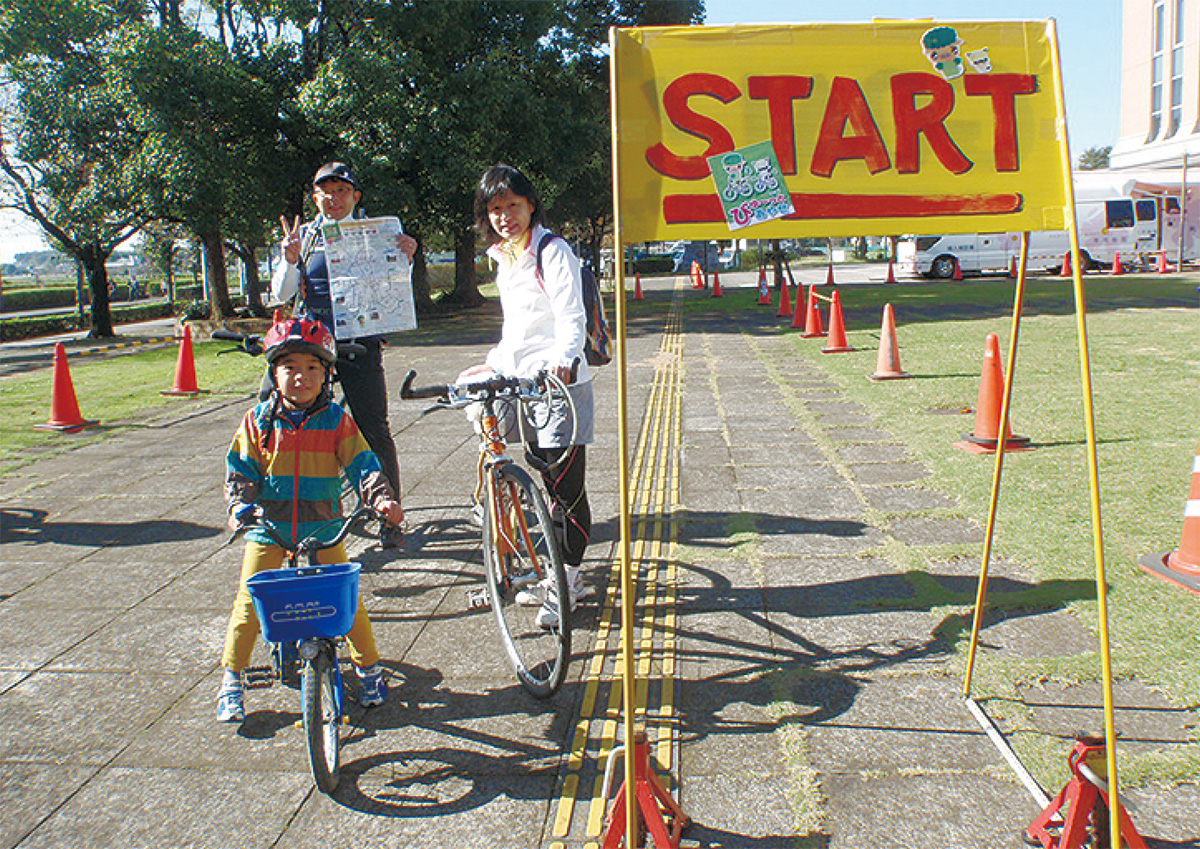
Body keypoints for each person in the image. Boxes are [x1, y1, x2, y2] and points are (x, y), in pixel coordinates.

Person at [217, 316, 404, 722]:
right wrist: (239, 507)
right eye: (290, 368)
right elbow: (241, 471)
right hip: (269, 528)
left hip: (324, 527)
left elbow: (363, 464)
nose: (301, 377)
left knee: (346, 602)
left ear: (326, 374)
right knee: (249, 603)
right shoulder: (258, 421)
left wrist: (382, 499)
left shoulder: (336, 420)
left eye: (312, 368)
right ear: (274, 373)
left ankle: (369, 667)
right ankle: (232, 679)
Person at [459, 164, 595, 629]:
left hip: (558, 383)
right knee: (541, 479)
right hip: (522, 380)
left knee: (565, 489)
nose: (504, 217)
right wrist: (493, 362)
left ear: (531, 205)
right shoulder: (504, 257)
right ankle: (554, 572)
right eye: (495, 209)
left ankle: (568, 580)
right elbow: (517, 329)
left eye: (512, 206)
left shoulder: (552, 250)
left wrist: (565, 359)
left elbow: (570, 316)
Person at [271, 162, 416, 548]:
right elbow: (281, 295)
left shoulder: (377, 232)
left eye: (341, 191)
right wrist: (289, 259)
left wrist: (407, 256)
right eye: (326, 192)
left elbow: (394, 286)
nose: (333, 199)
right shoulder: (304, 236)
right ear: (314, 197)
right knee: (290, 420)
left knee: (374, 427)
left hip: (359, 343)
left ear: (355, 196)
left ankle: (390, 515)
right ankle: (295, 510)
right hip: (313, 345)